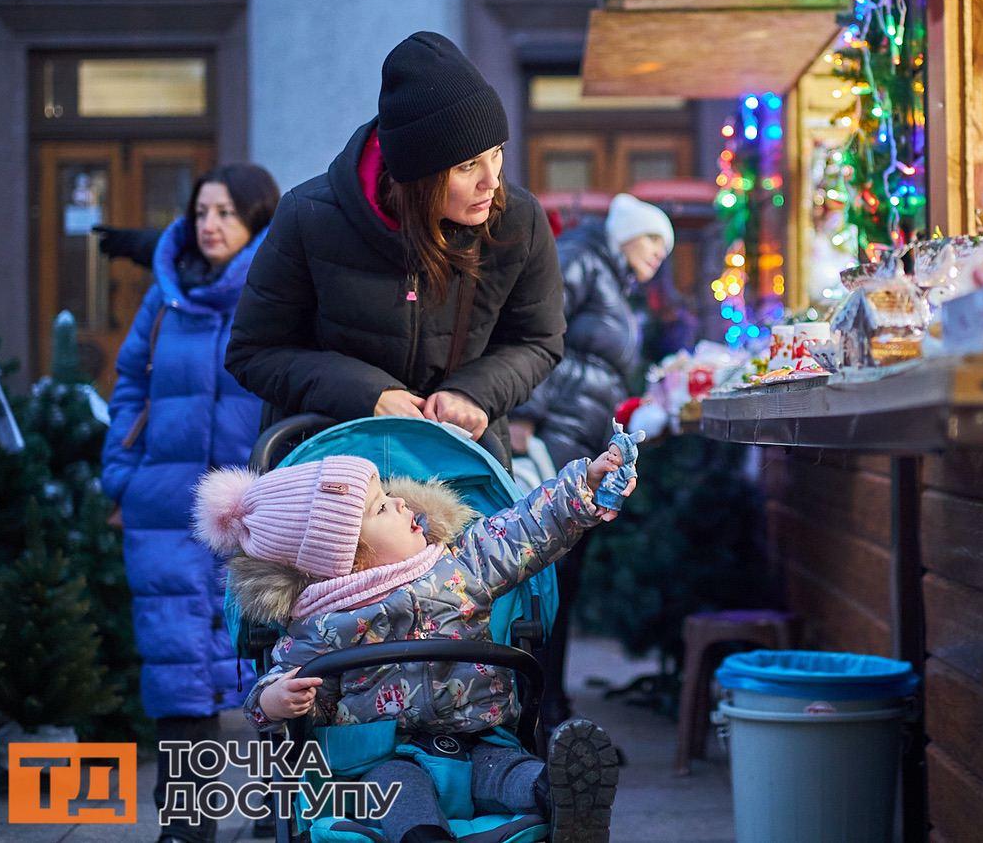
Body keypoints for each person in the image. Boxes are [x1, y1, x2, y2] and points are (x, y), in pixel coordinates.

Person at [193, 442, 635, 843]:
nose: (403, 502)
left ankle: (559, 796)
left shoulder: (461, 566)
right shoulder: (317, 625)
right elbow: (271, 692)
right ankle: (423, 837)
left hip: (478, 740)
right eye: (382, 508)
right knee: (396, 788)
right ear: (346, 553)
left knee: (511, 773)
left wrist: (583, 485)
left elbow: (523, 529)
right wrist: (274, 700)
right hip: (384, 759)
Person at [225, 31, 564, 454]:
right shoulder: (309, 216)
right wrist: (366, 395)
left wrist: (475, 393)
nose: (492, 181)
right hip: (334, 472)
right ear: (417, 174)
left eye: (496, 152)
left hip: (460, 469)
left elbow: (538, 340)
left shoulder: (519, 219)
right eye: (467, 165)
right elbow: (253, 352)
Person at [101, 162, 280, 843]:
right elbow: (128, 384)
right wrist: (121, 476)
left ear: (257, 221)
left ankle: (277, 811)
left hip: (255, 505)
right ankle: (186, 823)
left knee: (273, 659)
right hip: (168, 503)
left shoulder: (276, 288)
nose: (210, 225)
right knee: (177, 665)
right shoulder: (167, 294)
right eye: (203, 211)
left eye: (227, 213)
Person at [510, 192, 673, 725]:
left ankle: (552, 703)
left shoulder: (613, 278)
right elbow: (537, 326)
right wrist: (525, 414)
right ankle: (538, 709)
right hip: (552, 436)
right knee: (548, 571)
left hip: (577, 438)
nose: (658, 253)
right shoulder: (581, 257)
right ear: (625, 233)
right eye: (653, 238)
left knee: (564, 573)